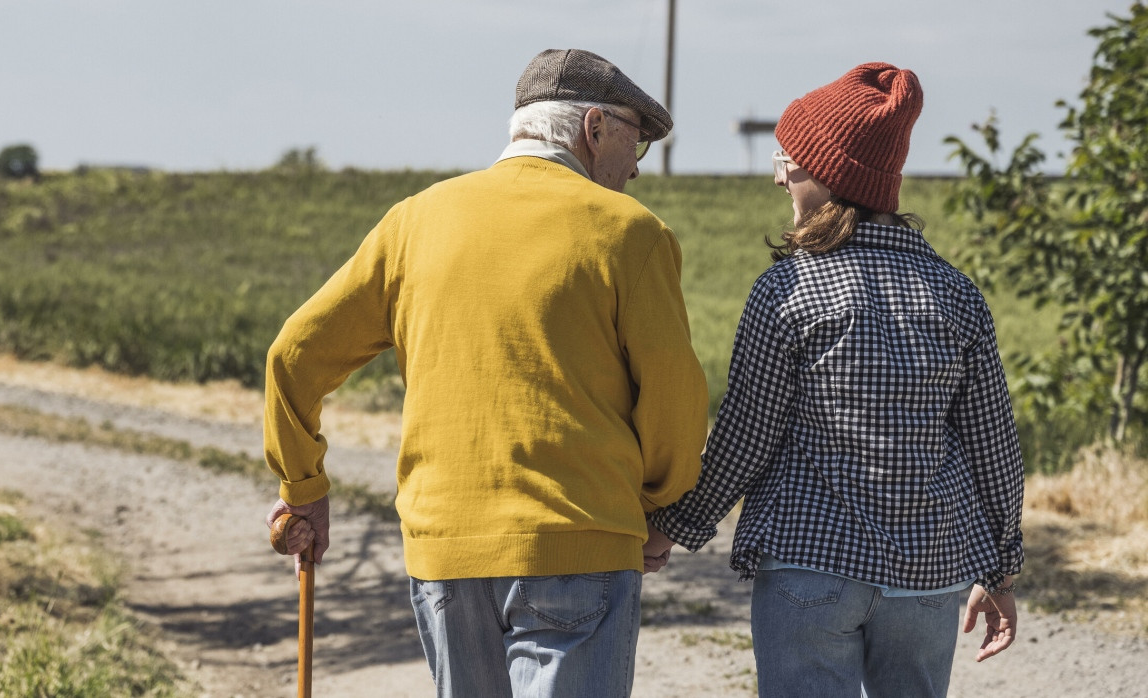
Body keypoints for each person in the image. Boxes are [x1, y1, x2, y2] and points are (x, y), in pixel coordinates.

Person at [263, 48, 709, 697]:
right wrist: (652, 503)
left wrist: (302, 486)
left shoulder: (413, 222)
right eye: (634, 142)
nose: (636, 168)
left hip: (445, 552)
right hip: (578, 543)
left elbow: (293, 356)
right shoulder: (630, 234)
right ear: (593, 129)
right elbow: (673, 399)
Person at [644, 62, 1025, 697]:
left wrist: (673, 525)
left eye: (787, 158)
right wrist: (1002, 571)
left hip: (810, 567)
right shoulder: (957, 295)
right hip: (928, 574)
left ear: (827, 173)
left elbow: (746, 438)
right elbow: (994, 447)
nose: (777, 173)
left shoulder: (786, 290)